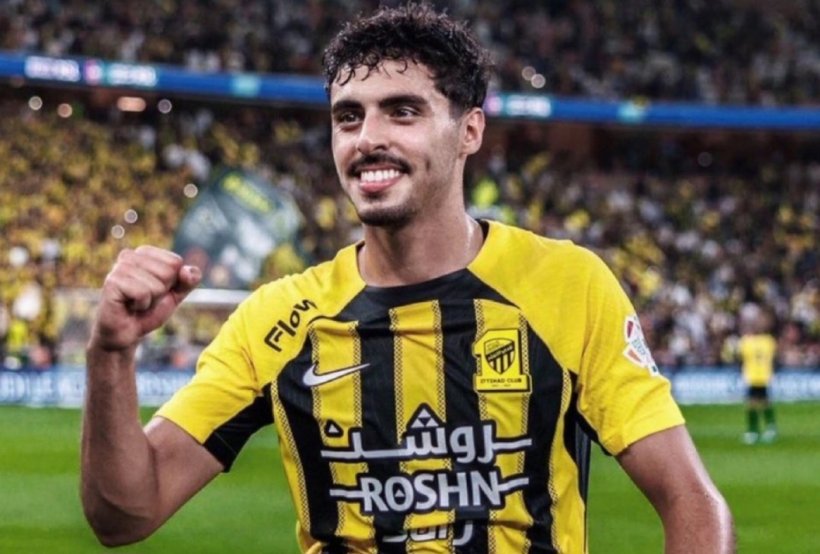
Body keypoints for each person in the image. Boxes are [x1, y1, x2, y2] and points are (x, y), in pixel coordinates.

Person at [81, 4, 734, 552]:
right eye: (348, 116)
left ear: (469, 130)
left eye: (403, 111)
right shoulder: (277, 319)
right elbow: (127, 512)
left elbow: (692, 501)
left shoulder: (567, 284)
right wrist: (111, 354)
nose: (367, 137)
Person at [737, 312, 779, 444]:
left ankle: (754, 430)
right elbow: (774, 356)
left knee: (754, 404)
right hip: (762, 376)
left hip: (754, 376)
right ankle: (769, 428)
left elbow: (740, 357)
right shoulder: (769, 341)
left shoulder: (746, 341)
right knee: (763, 402)